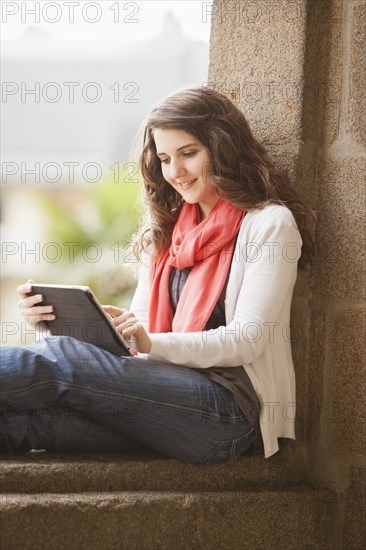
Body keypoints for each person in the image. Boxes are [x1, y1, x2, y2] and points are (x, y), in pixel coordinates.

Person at [0, 86, 315, 462]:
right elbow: (142, 331)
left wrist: (149, 342)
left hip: (228, 413)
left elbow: (247, 340)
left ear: (223, 146)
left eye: (189, 153)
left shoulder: (269, 224)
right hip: (159, 400)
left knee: (63, 357)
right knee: (27, 421)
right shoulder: (165, 233)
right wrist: (75, 323)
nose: (175, 172)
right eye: (165, 158)